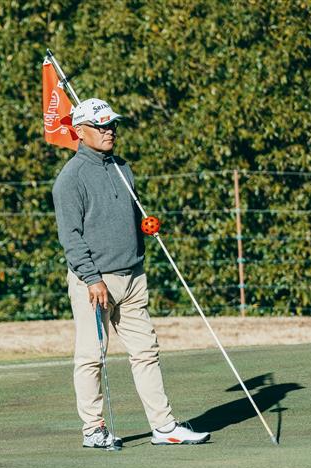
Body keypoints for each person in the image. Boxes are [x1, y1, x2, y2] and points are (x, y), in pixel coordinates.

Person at [52, 99, 210, 448]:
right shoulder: (70, 179)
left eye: (112, 125)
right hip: (94, 282)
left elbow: (127, 214)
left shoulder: (123, 168)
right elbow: (70, 237)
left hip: (133, 276)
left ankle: (164, 426)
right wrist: (91, 278)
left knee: (146, 351)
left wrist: (144, 225)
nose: (109, 131)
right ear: (80, 131)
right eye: (101, 126)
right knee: (92, 356)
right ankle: (93, 430)